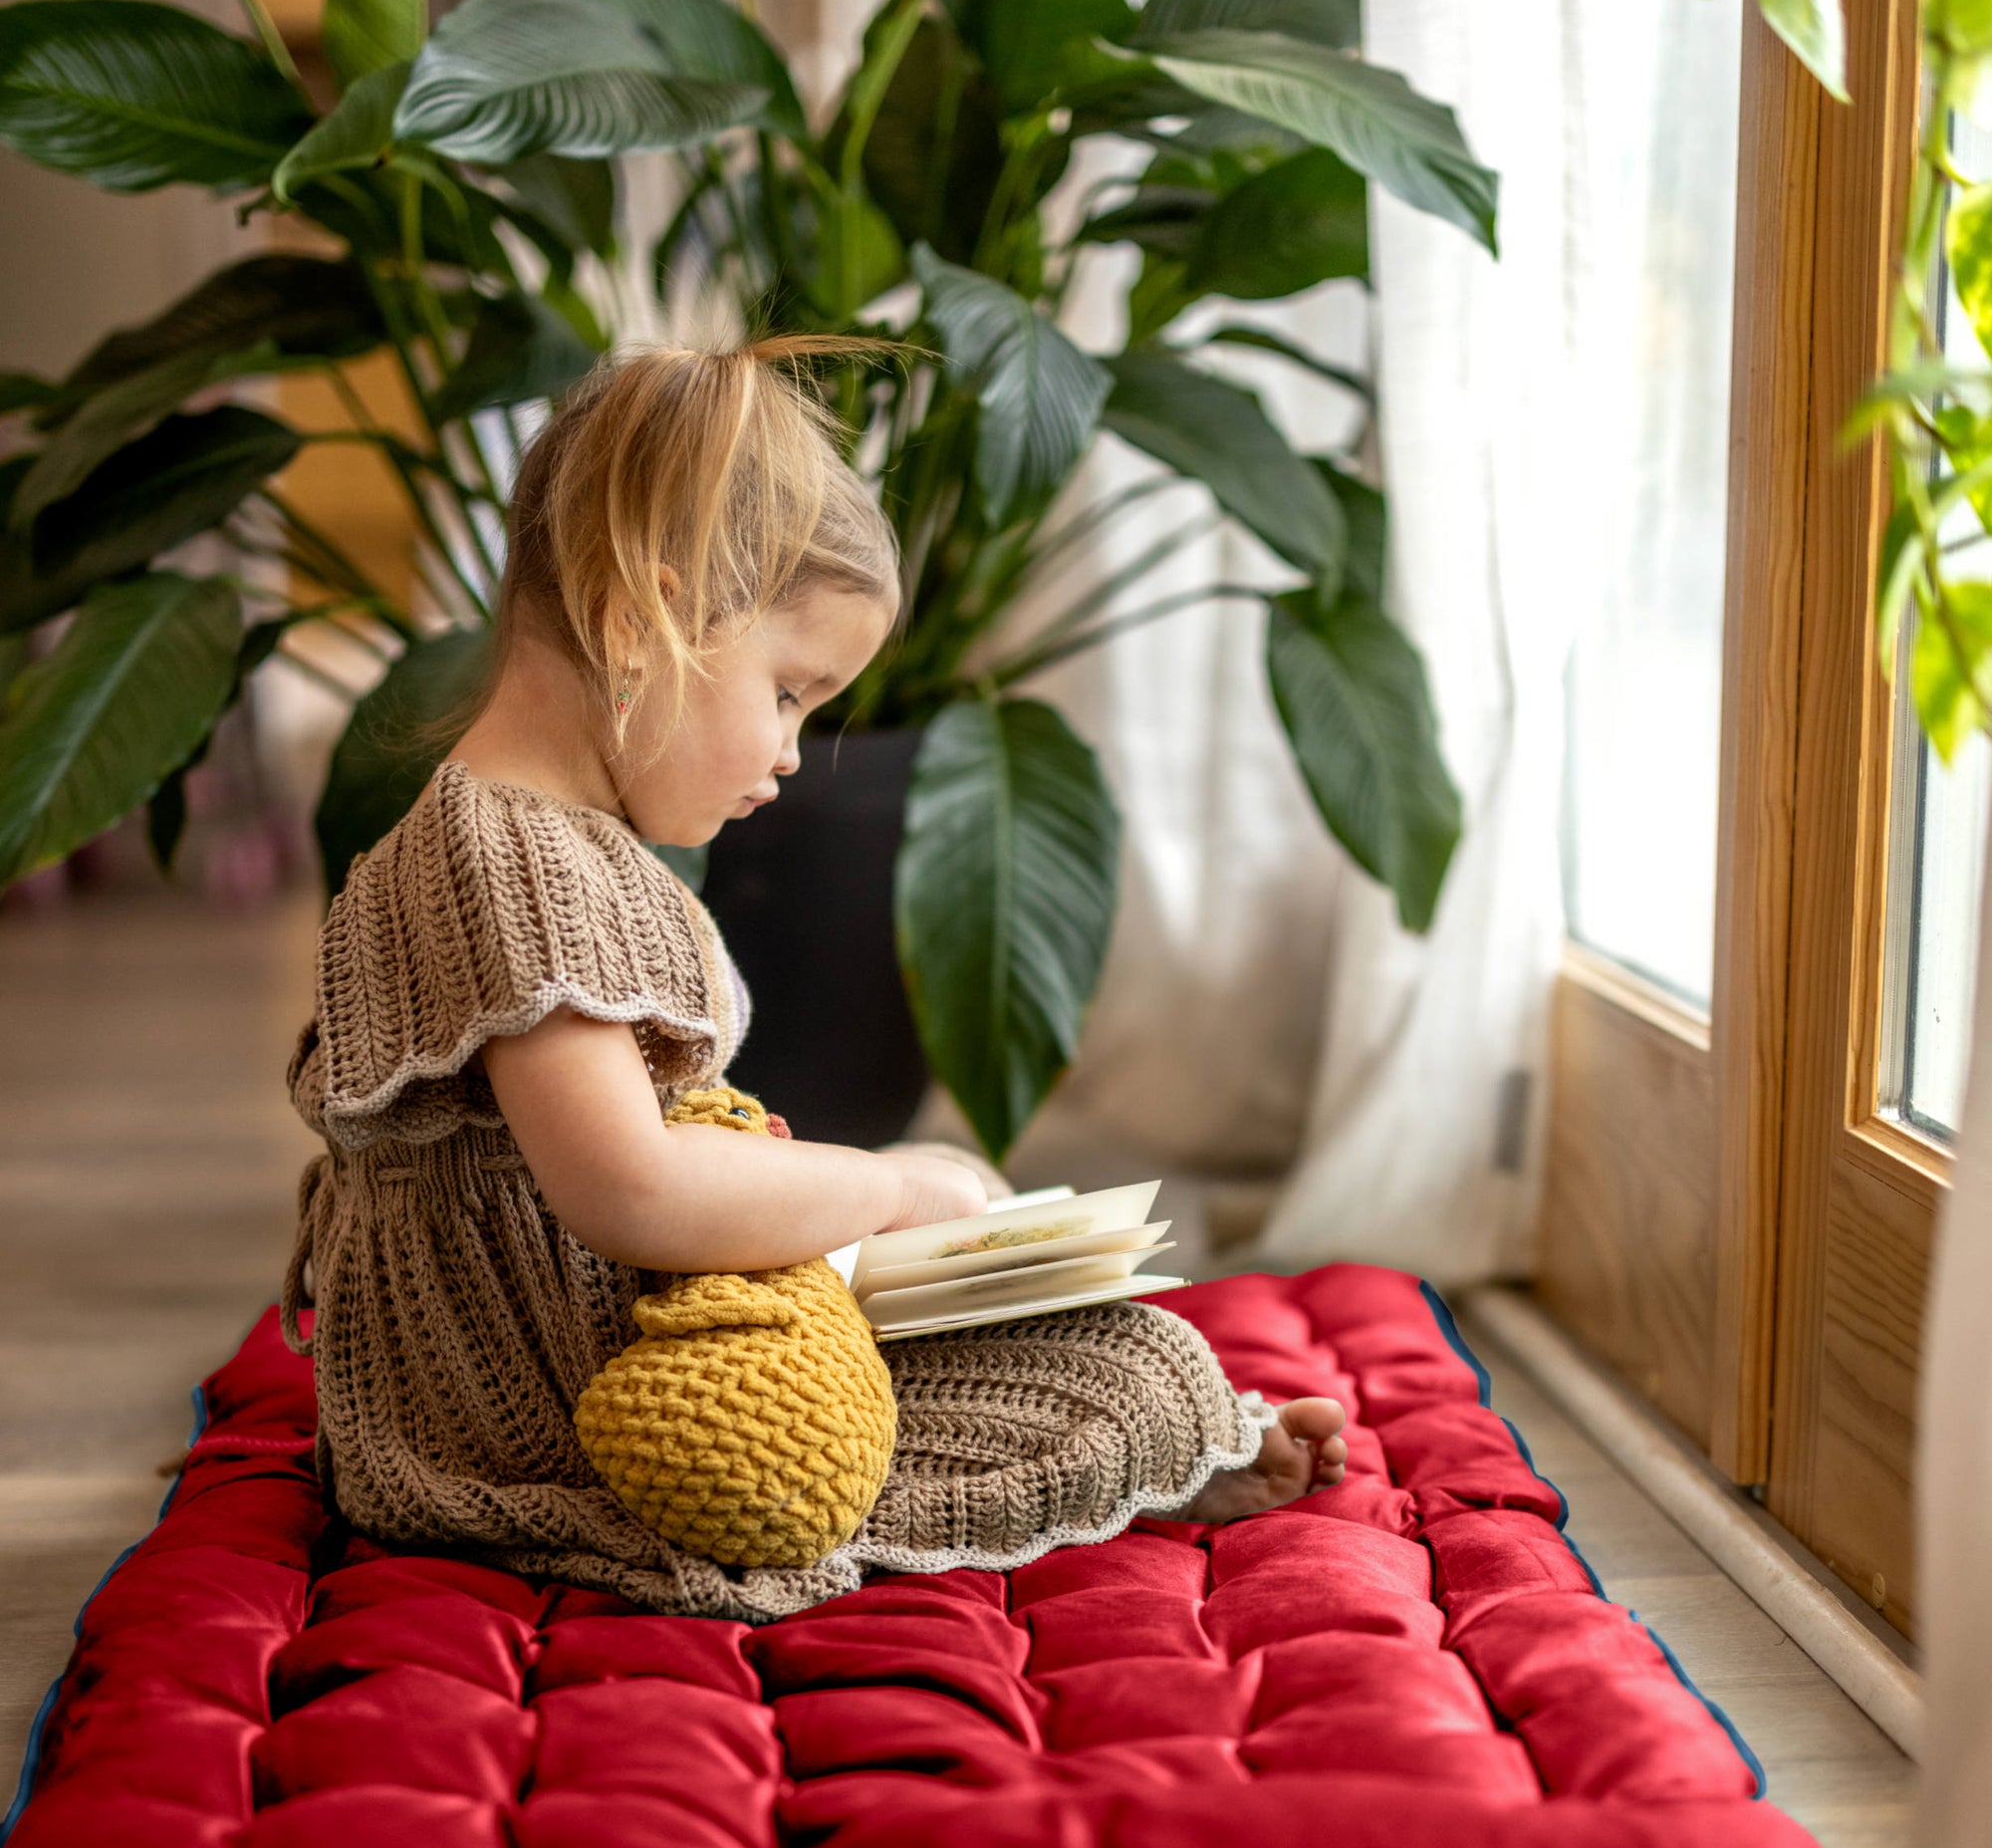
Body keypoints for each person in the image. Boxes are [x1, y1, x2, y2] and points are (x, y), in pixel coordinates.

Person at [283, 341, 1348, 1621]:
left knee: (1066, 1332)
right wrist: (893, 1184)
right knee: (1126, 1374)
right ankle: (1170, 1450)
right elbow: (629, 1186)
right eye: (785, 692)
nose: (793, 751)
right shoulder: (511, 867)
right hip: (556, 1406)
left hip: (635, 1331)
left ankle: (1164, 1430)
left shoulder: (542, 841)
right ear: (642, 623)